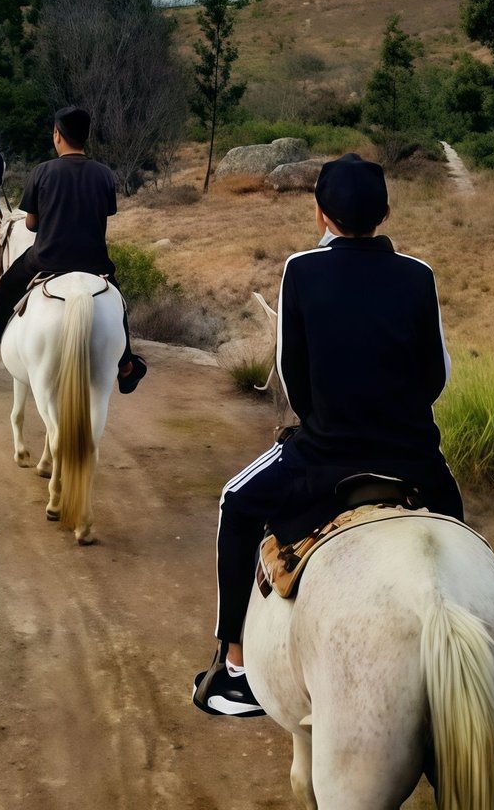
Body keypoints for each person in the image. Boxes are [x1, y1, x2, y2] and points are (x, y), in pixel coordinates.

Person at [189, 153, 462, 719]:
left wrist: (326, 423)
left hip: (326, 455)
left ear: (320, 215)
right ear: (386, 212)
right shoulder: (419, 275)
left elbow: (294, 377)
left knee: (236, 504)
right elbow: (435, 376)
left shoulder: (301, 271)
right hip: (413, 458)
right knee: (459, 540)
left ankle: (236, 668)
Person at [0, 105, 146, 397]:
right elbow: (104, 214)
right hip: (94, 262)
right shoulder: (104, 174)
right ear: (86, 137)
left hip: (45, 260)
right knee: (118, 305)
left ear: (57, 135)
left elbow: (31, 225)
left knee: (0, 297)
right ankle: (127, 368)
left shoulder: (43, 171)